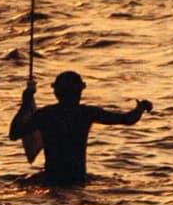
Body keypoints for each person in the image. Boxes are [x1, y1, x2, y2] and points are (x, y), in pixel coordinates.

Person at [8, 69, 150, 185]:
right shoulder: (86, 113)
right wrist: (141, 108)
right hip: (77, 178)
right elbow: (126, 119)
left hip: (51, 178)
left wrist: (26, 102)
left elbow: (14, 134)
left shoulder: (45, 115)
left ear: (56, 92)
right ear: (81, 90)